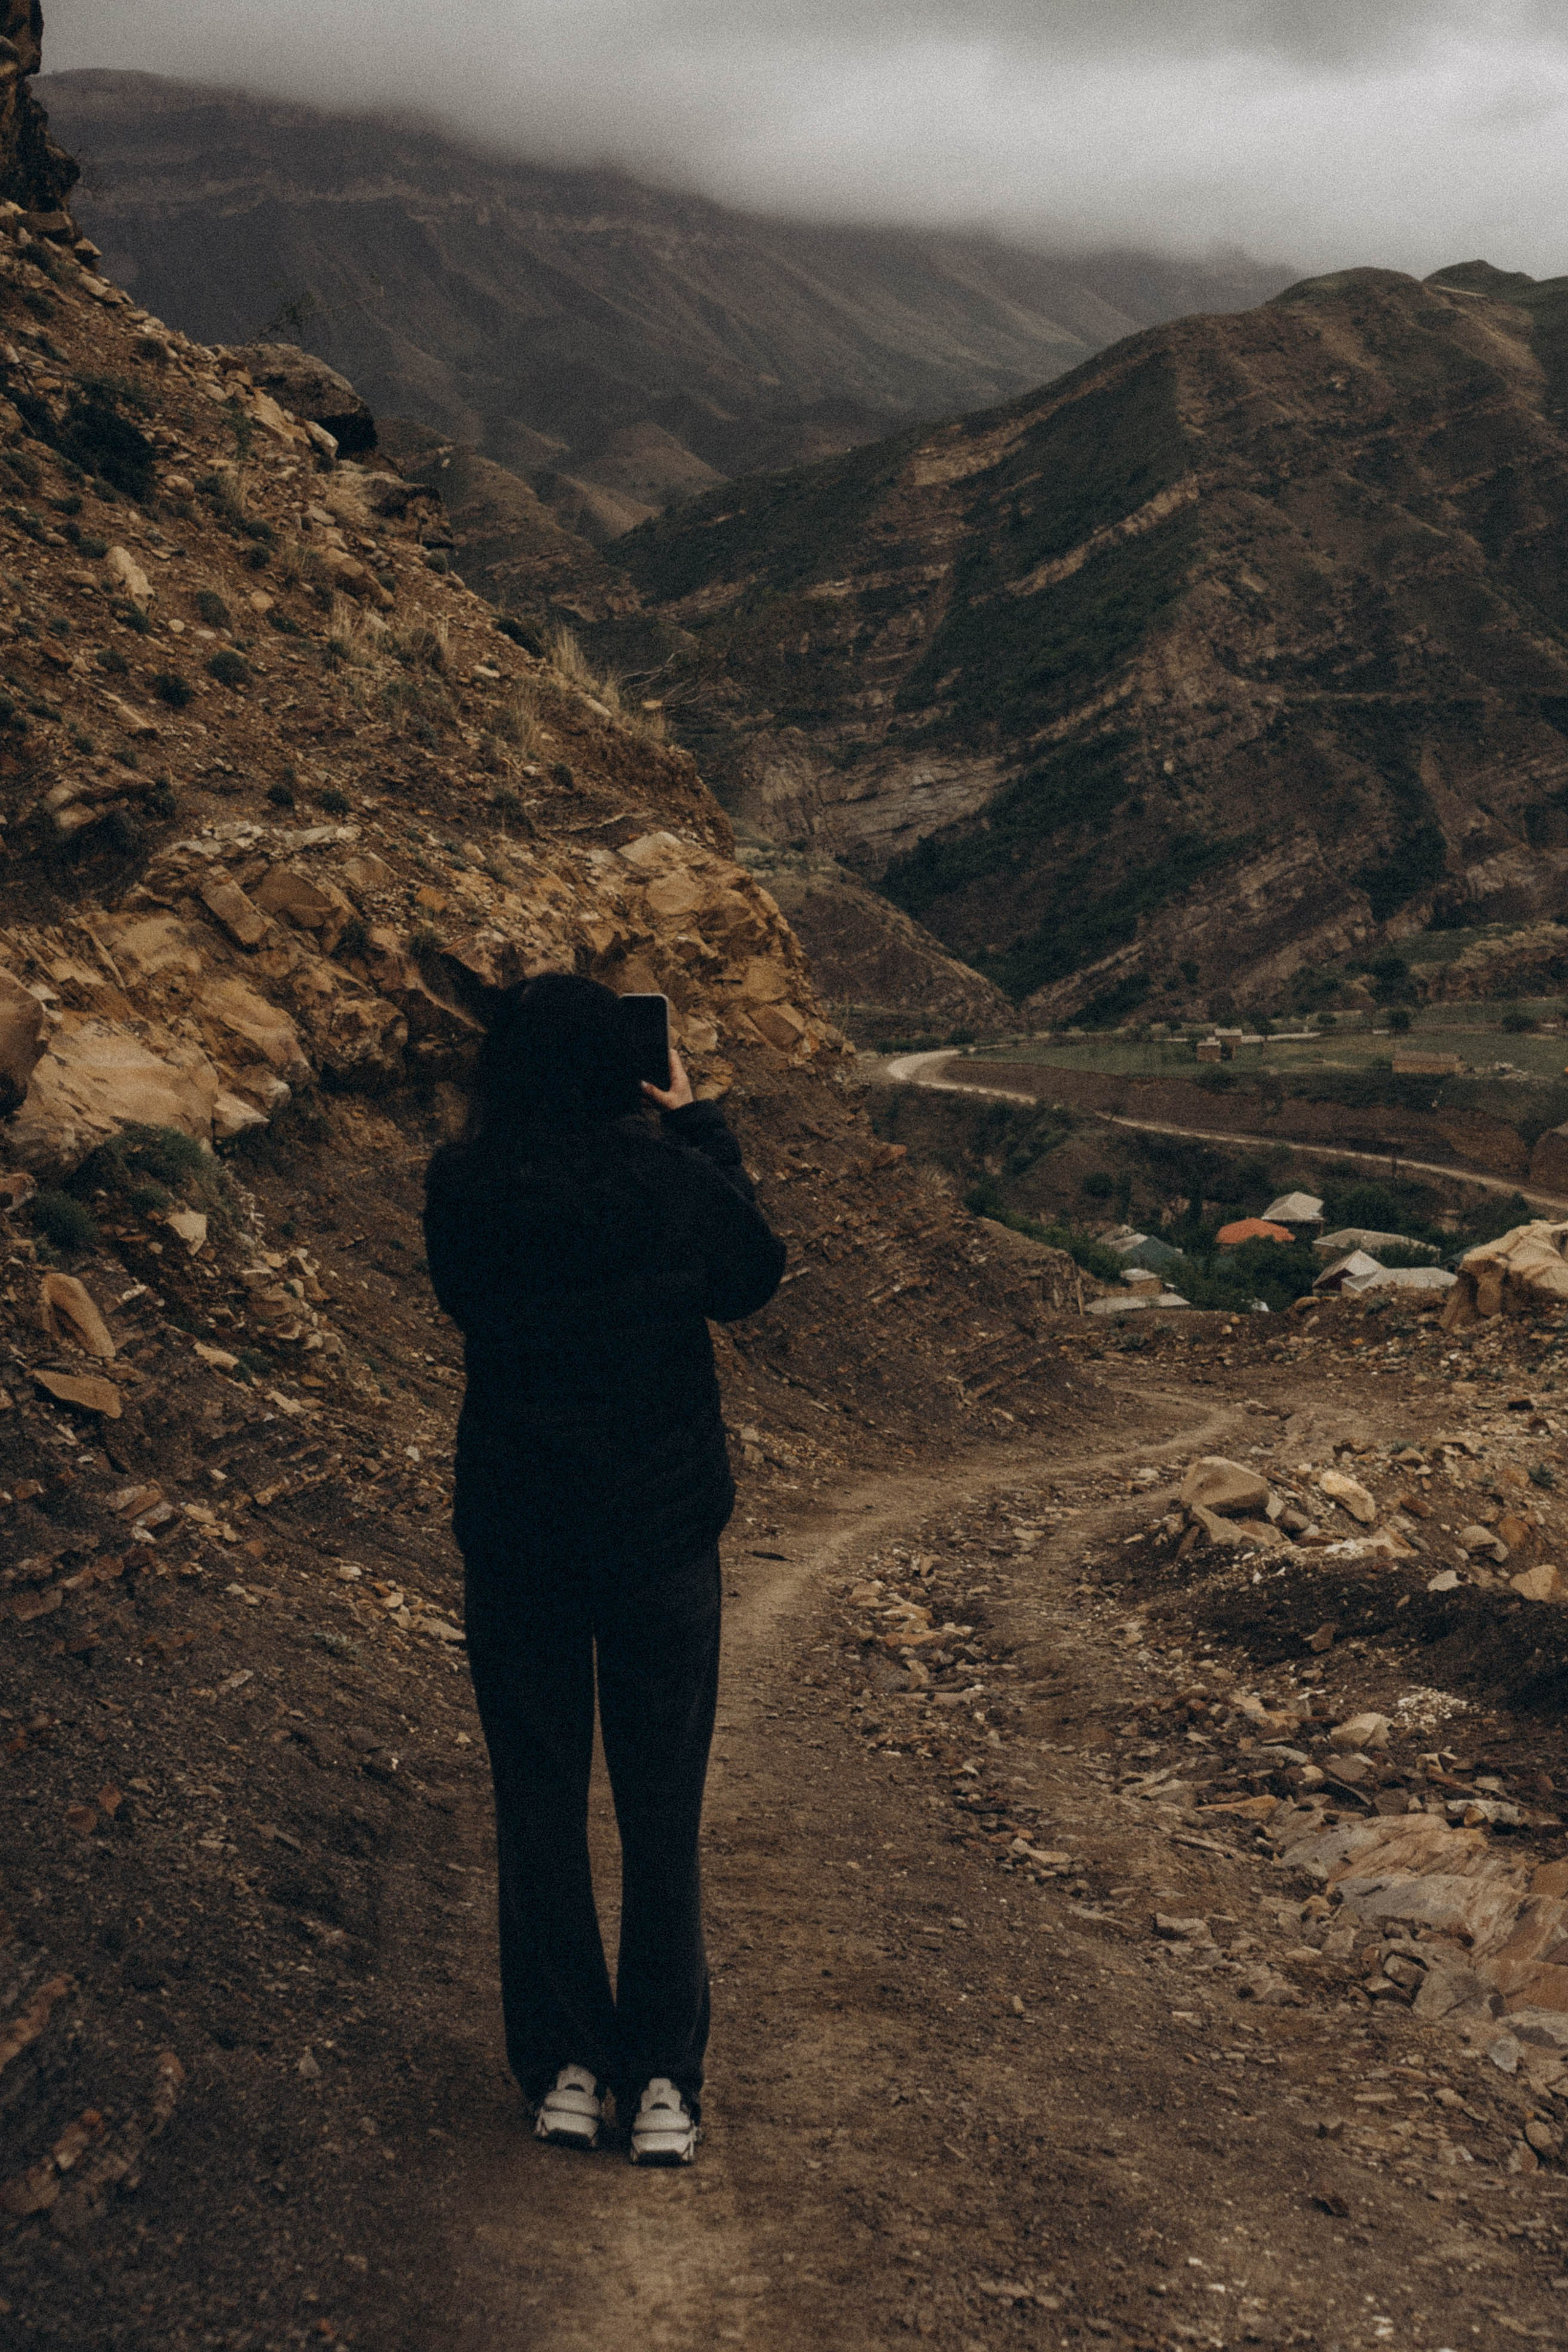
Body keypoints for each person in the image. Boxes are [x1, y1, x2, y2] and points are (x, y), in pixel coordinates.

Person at [423, 972, 786, 2165]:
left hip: (520, 1533)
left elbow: (470, 1306)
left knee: (537, 1809)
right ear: (616, 1066)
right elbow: (750, 1280)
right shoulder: (669, 1178)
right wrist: (695, 1122)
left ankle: (569, 2071)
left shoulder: (460, 1186)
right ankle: (666, 2089)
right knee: (659, 1811)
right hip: (658, 1538)